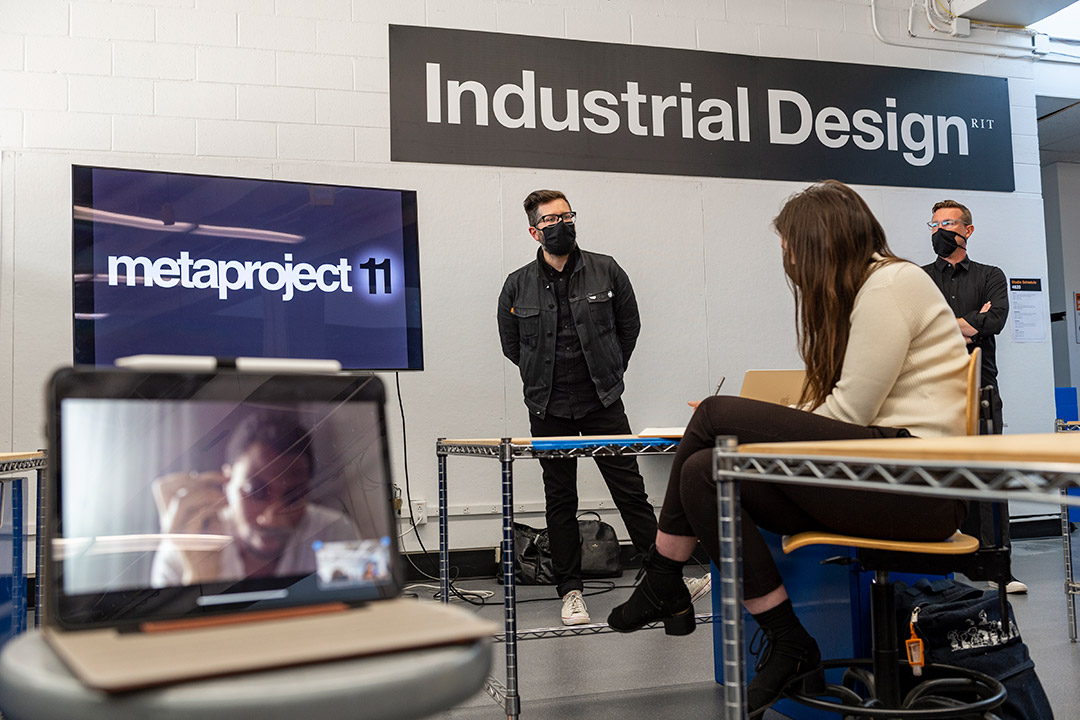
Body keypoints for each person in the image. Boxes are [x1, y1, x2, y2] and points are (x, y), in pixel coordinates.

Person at [606, 180, 971, 718]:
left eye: (791, 250)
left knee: (713, 414)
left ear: (821, 241)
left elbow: (848, 416)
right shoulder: (862, 294)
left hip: (917, 485)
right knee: (705, 471)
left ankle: (663, 576)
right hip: (877, 478)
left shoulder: (892, 283)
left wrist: (754, 427)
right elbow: (842, 415)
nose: (790, 264)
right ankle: (788, 639)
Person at [497, 189, 709, 626]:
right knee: (560, 499)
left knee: (629, 491)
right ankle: (570, 591)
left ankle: (666, 580)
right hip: (548, 405)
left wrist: (610, 371)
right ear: (535, 231)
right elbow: (513, 346)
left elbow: (628, 328)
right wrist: (543, 376)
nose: (563, 225)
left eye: (567, 216)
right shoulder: (517, 285)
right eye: (552, 221)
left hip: (602, 400)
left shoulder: (606, 270)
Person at [921, 200, 1024, 593]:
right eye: (934, 224)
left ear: (968, 230)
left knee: (988, 474)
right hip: (932, 388)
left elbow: (994, 320)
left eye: (947, 223)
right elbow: (918, 327)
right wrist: (967, 325)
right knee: (938, 474)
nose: (939, 230)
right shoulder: (919, 278)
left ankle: (998, 567)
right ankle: (941, 563)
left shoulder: (990, 275)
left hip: (980, 385)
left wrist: (963, 325)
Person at [150, 410, 359, 587]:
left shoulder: (334, 533)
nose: (272, 519)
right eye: (255, 492)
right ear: (226, 483)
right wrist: (200, 579)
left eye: (294, 496)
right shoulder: (185, 546)